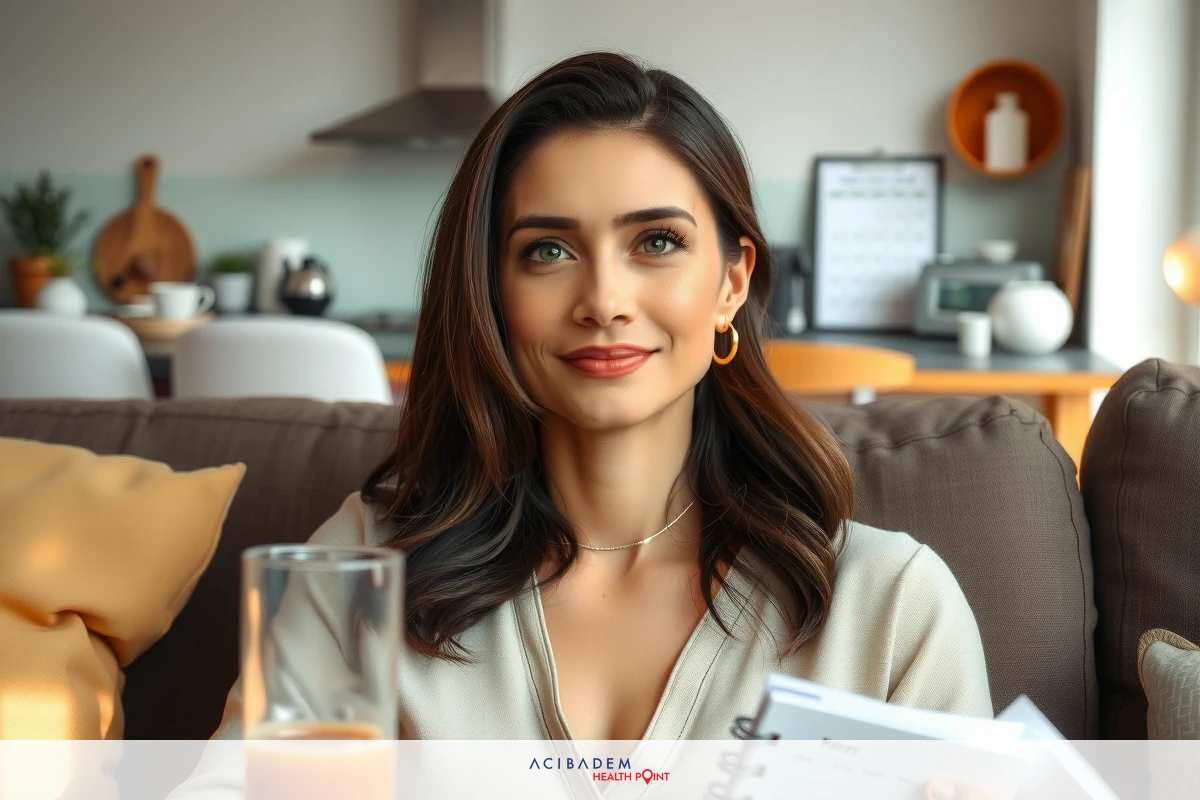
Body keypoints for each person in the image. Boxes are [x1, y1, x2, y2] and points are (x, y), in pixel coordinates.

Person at [210, 50, 993, 743]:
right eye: (547, 250)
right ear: (490, 291)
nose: (604, 299)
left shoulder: (892, 608)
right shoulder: (358, 566)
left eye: (657, 242)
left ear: (731, 282)